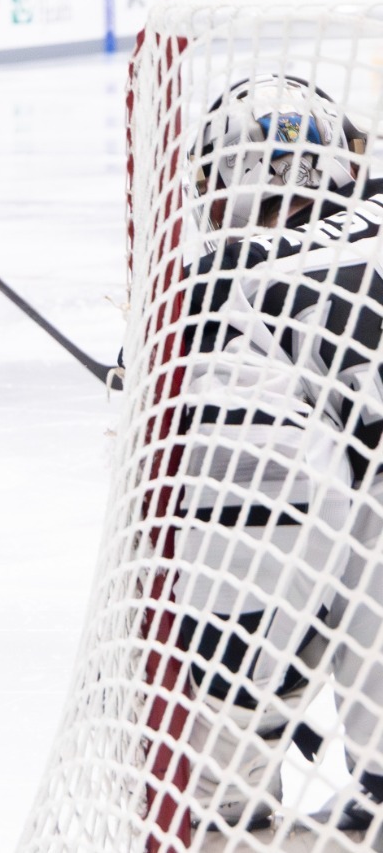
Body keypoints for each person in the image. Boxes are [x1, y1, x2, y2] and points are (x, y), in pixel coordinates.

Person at [156, 75, 383, 834]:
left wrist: (143, 375)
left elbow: (282, 497)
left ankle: (236, 773)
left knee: (249, 488)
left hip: (289, 494)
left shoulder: (224, 276)